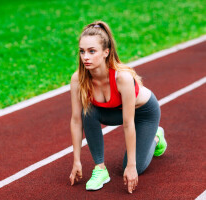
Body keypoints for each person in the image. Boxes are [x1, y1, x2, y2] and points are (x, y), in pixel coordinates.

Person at [68, 20, 167, 194]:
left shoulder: (122, 78)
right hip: (115, 111)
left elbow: (129, 124)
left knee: (133, 167)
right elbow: (76, 121)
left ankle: (156, 137)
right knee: (87, 111)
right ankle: (100, 169)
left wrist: (131, 166)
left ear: (106, 52)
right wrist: (76, 161)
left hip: (143, 113)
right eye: (82, 51)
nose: (86, 57)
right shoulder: (78, 79)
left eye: (92, 51)